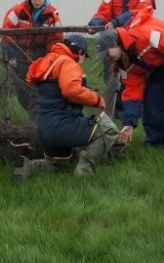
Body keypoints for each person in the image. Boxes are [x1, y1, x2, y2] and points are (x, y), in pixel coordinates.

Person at [94, 7, 164, 151]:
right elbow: (132, 90)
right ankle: (155, 142)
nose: (107, 58)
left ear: (115, 44)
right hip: (162, 60)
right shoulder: (125, 63)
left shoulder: (143, 35)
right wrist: (129, 123)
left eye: (107, 53)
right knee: (153, 102)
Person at [13, 34, 120, 182]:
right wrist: (97, 100)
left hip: (45, 129)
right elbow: (70, 91)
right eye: (84, 56)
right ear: (80, 52)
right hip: (63, 127)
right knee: (109, 129)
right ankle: (84, 168)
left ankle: (30, 166)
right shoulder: (68, 63)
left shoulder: (49, 61)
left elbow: (57, 89)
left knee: (56, 163)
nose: (83, 61)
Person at [0, 0, 63, 119]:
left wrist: (52, 58)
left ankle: (37, 120)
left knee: (37, 90)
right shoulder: (17, 10)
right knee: (22, 91)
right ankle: (34, 115)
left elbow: (56, 39)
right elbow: (6, 33)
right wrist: (10, 55)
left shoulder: (53, 14)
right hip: (19, 55)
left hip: (41, 56)